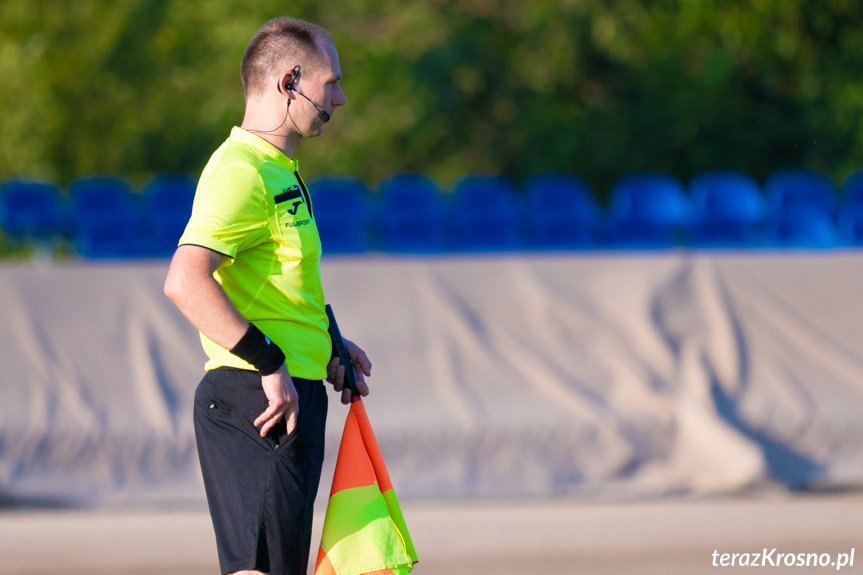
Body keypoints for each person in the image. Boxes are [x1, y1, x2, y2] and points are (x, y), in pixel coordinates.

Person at [163, 16, 371, 575]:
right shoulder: (241, 172)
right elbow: (185, 280)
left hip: (289, 401)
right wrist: (270, 359)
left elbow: (281, 282)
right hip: (255, 400)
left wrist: (329, 341)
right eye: (331, 83)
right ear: (289, 81)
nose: (340, 98)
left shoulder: (282, 171)